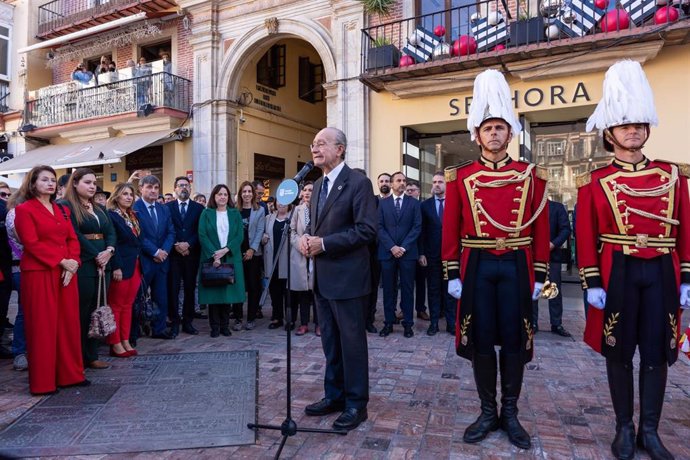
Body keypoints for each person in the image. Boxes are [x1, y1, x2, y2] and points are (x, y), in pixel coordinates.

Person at [577, 60, 690, 460]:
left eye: (640, 124)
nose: (634, 130)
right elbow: (586, 236)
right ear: (610, 131)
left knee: (657, 352)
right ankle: (624, 428)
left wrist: (686, 276)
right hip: (619, 269)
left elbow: (684, 230)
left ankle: (651, 430)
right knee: (619, 351)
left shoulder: (672, 175)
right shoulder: (594, 182)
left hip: (660, 269)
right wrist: (592, 282)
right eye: (625, 124)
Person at [442, 69, 550, 450]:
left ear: (510, 132)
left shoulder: (531, 175)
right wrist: (451, 271)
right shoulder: (460, 177)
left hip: (517, 264)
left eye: (500, 127)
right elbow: (450, 228)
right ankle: (487, 411)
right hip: (478, 266)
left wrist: (539, 273)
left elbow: (541, 231)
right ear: (476, 134)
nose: (493, 134)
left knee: (516, 341)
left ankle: (511, 412)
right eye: (487, 128)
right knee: (482, 340)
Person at [299, 127, 377, 431]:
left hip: (349, 280)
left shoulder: (359, 183)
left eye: (321, 144)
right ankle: (334, 395)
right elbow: (320, 228)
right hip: (323, 278)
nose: (315, 148)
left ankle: (357, 404)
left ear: (340, 149)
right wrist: (308, 239)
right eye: (313, 144)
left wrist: (325, 244)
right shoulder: (317, 186)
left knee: (352, 344)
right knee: (331, 342)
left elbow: (367, 230)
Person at [14, 166, 86, 395]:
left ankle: (70, 376)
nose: (50, 183)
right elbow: (31, 243)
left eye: (53, 180)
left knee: (68, 325)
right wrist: (61, 261)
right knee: (43, 327)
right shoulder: (24, 210)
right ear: (32, 183)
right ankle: (43, 383)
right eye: (44, 180)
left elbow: (73, 239)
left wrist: (73, 262)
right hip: (39, 273)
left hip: (67, 273)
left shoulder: (61, 209)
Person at [60, 168, 117, 370]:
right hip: (84, 263)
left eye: (94, 182)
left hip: (104, 263)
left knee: (98, 308)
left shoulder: (99, 208)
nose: (92, 186)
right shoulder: (65, 206)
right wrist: (96, 255)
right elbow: (75, 235)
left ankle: (92, 354)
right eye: (87, 182)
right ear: (75, 183)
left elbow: (110, 231)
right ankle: (79, 356)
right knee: (82, 311)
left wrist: (109, 250)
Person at [378, 171, 422, 338]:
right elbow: (379, 227)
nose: (402, 183)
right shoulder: (383, 204)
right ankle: (388, 323)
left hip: (408, 253)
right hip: (387, 253)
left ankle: (408, 324)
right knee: (388, 290)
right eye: (398, 180)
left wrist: (403, 247)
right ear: (391, 184)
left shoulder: (414, 203)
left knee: (408, 290)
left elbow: (417, 227)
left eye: (404, 180)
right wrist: (392, 247)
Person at [198, 184, 245, 337]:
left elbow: (239, 236)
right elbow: (202, 235)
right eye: (219, 194)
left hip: (231, 256)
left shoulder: (235, 214)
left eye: (225, 194)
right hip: (212, 258)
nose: (222, 197)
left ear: (228, 197)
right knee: (214, 294)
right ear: (214, 197)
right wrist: (214, 255)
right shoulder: (206, 213)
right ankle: (215, 327)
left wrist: (226, 249)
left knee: (228, 294)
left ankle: (225, 326)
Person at [133, 175, 176, 339]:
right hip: (144, 261)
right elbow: (138, 235)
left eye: (156, 188)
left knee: (161, 297)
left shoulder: (163, 208)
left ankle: (159, 329)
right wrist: (155, 252)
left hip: (162, 261)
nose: (153, 191)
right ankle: (135, 331)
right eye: (149, 187)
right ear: (141, 188)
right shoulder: (134, 208)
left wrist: (163, 251)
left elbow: (171, 232)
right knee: (138, 298)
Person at [106, 183, 141, 357]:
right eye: (125, 194)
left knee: (128, 305)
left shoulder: (132, 215)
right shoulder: (112, 216)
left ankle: (125, 340)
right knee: (116, 306)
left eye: (131, 194)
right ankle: (115, 343)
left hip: (135, 265)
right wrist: (116, 266)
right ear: (116, 196)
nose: (128, 197)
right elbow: (113, 243)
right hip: (120, 265)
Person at [166, 176, 204, 336]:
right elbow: (166, 229)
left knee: (189, 288)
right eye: (180, 185)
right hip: (173, 255)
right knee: (172, 289)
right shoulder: (167, 207)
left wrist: (188, 244)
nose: (183, 188)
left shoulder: (198, 208)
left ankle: (188, 322)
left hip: (191, 254)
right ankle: (174, 321)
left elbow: (199, 231)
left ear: (190, 188)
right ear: (175, 189)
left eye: (186, 185)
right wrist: (176, 244)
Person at [420, 171, 456, 336]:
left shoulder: (455, 204)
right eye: (434, 182)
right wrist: (422, 253)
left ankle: (451, 324)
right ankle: (434, 323)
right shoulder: (425, 205)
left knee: (450, 290)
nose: (436, 185)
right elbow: (421, 232)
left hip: (452, 255)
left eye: (440, 182)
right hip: (432, 255)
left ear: (446, 184)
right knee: (433, 290)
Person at [532, 199, 571, 336]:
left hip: (552, 255)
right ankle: (532, 322)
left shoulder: (557, 207)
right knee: (534, 290)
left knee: (553, 289)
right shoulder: (531, 207)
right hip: (534, 255)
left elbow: (565, 229)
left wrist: (553, 244)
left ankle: (556, 323)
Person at [233, 181, 265, 331]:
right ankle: (238, 318)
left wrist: (252, 249)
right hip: (236, 253)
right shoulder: (234, 210)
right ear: (240, 194)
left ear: (253, 194)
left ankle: (251, 318)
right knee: (238, 285)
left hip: (254, 254)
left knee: (253, 287)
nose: (246, 194)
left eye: (249, 191)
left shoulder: (259, 210)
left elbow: (260, 231)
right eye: (244, 191)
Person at [289, 182, 318, 335]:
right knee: (303, 292)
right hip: (300, 254)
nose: (307, 193)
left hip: (317, 254)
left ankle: (319, 324)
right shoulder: (296, 210)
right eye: (305, 190)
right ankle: (304, 323)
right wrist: (300, 244)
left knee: (317, 291)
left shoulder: (321, 208)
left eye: (311, 190)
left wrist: (314, 245)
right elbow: (291, 231)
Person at [6, 191, 28, 370]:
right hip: (20, 267)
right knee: (24, 310)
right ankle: (20, 351)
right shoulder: (16, 213)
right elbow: (26, 240)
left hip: (25, 267)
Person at [263, 202, 291, 330]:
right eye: (279, 201)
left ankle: (289, 319)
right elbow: (262, 234)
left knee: (288, 292)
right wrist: (263, 237)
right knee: (274, 291)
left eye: (285, 202)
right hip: (272, 259)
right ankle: (277, 317)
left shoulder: (293, 217)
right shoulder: (268, 218)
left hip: (288, 260)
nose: (281, 204)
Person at [406, 179, 429, 321]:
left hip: (421, 251)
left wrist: (422, 253)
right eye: (407, 190)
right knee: (406, 283)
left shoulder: (423, 207)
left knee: (421, 283)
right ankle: (404, 309)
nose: (409, 193)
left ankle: (420, 309)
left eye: (412, 190)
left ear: (418, 192)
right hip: (406, 251)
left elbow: (424, 232)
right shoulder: (402, 207)